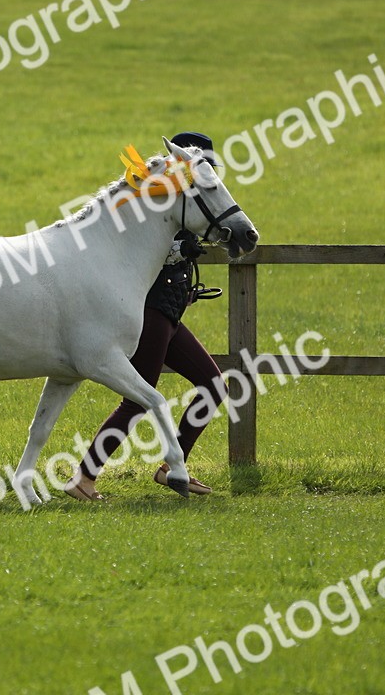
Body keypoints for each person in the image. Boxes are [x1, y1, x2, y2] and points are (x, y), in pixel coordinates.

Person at [65, 131, 229, 501]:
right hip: (150, 312)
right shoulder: (155, 202)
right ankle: (85, 477)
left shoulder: (187, 206)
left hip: (170, 313)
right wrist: (178, 248)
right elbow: (140, 250)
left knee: (213, 384)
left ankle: (174, 465)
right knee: (138, 400)